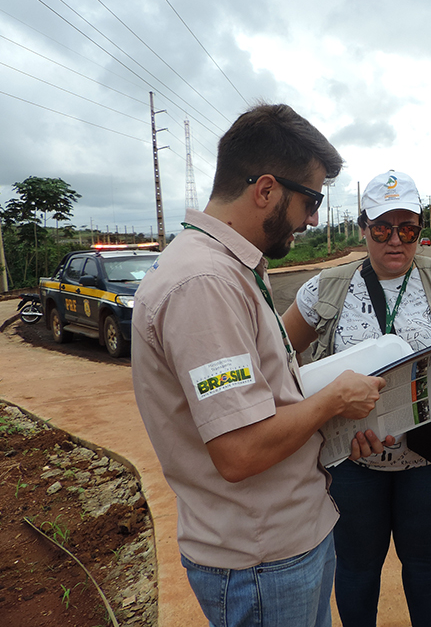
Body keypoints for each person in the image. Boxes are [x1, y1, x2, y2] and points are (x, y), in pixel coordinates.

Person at [132, 103, 388, 627]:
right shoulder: (204, 284)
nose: (315, 218)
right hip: (260, 560)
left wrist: (330, 426)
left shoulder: (231, 266)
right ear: (266, 190)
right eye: (312, 199)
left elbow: (263, 402)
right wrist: (334, 399)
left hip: (284, 539)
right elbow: (240, 452)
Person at [282, 170, 431, 627]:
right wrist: (317, 417)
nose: (395, 241)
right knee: (357, 567)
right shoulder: (324, 288)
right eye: (382, 229)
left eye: (408, 229)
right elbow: (279, 360)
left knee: (426, 564)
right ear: (363, 228)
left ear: (420, 230)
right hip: (353, 463)